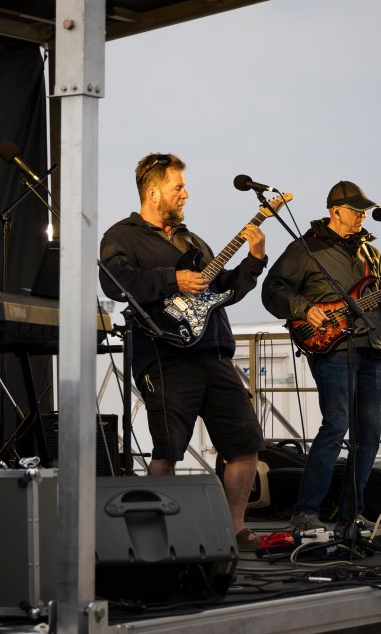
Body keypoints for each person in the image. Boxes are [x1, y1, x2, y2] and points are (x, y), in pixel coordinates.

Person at [99, 153, 268, 552]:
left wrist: (254, 260)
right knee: (167, 449)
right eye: (178, 187)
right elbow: (114, 281)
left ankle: (234, 529)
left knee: (245, 443)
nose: (186, 194)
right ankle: (161, 534)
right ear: (154, 192)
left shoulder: (193, 240)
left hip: (214, 352)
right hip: (165, 356)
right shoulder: (121, 236)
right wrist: (171, 278)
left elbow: (222, 291)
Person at [261, 180, 381, 535]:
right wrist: (304, 308)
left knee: (370, 433)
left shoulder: (370, 253)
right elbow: (272, 290)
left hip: (372, 347)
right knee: (336, 425)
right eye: (355, 210)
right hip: (332, 346)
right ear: (335, 211)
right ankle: (305, 511)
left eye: (363, 211)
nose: (361, 216)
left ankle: (351, 514)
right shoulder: (305, 248)